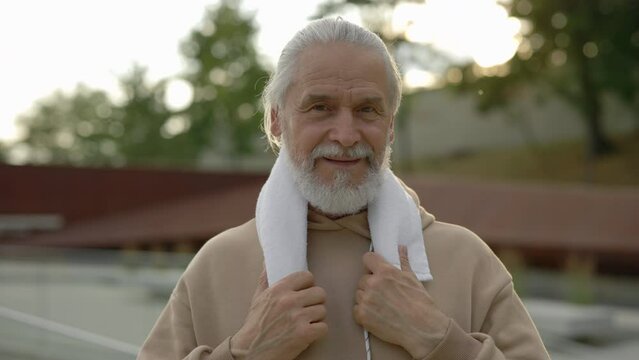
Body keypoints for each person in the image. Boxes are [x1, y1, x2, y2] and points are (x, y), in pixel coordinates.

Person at [138, 18, 550, 360]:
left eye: (367, 110)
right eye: (320, 107)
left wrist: (440, 340)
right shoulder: (216, 265)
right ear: (277, 120)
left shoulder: (467, 260)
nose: (346, 134)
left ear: (390, 127)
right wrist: (246, 352)